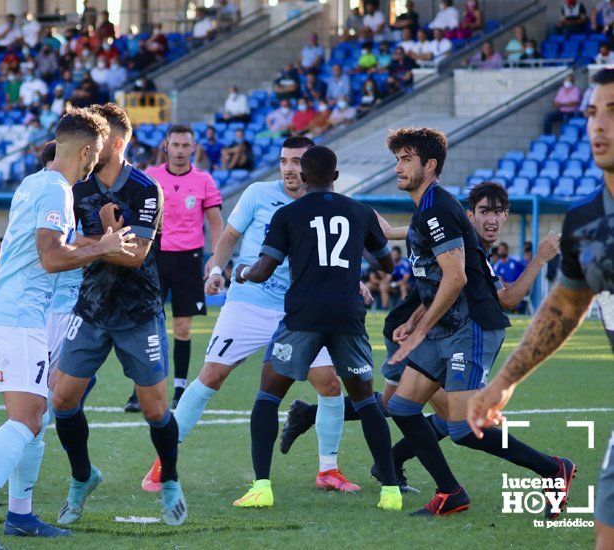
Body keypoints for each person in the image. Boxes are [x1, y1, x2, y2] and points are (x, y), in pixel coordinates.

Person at [282, 183, 564, 486]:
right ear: (469, 215)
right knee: (451, 421)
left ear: (506, 215)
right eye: (484, 211)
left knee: (402, 406)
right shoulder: (448, 230)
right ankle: (539, 472)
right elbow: (504, 299)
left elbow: (482, 293)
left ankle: (321, 421)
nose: (492, 219)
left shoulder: (464, 243)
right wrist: (541, 257)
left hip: (423, 328)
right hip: (413, 331)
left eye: (498, 212)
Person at [0, 108, 130, 548]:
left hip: (7, 311)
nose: (94, 164)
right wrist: (102, 247)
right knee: (28, 419)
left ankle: (21, 515)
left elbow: (45, 246)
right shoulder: (56, 193)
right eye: (96, 155)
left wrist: (95, 243)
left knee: (35, 417)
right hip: (16, 317)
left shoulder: (33, 184)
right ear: (86, 150)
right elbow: (51, 256)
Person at [140, 137, 364, 496]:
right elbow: (229, 236)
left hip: (299, 311)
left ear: (312, 168)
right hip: (248, 302)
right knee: (211, 375)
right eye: (284, 161)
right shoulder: (258, 194)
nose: (290, 168)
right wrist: (216, 270)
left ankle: (329, 470)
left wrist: (357, 283)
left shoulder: (325, 205)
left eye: (297, 162)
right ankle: (163, 463)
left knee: (330, 384)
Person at [372, 128, 571, 517]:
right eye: (397, 159)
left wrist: (421, 325)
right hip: (446, 324)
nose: (398, 166)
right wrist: (415, 319)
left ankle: (553, 469)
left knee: (460, 430)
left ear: (429, 166)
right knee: (402, 407)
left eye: (406, 159)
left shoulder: (435, 209)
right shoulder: (428, 209)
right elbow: (434, 277)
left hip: (472, 327)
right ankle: (450, 492)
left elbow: (458, 278)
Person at [468, 68, 614, 550]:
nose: (599, 126)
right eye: (593, 113)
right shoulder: (585, 221)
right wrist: (501, 384)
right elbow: (564, 309)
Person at [230, 145, 400, 510]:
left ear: (303, 176)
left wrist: (240, 272)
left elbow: (261, 271)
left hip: (303, 317)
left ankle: (261, 487)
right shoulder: (359, 211)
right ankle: (390, 491)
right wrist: (359, 245)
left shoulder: (288, 213)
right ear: (336, 177)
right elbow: (386, 264)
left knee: (267, 396)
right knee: (366, 401)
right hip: (347, 318)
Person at [49, 104, 186, 527]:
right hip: (90, 309)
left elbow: (137, 255)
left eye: (99, 138)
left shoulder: (146, 189)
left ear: (117, 142)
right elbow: (66, 245)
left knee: (155, 409)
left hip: (139, 312)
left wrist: (100, 242)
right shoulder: (79, 188)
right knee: (62, 400)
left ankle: (171, 483)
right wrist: (107, 239)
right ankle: (82, 478)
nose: (89, 146)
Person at [143, 125, 224, 410]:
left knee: (182, 327)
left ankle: (178, 388)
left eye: (184, 145)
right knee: (147, 325)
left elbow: (215, 222)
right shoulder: (151, 177)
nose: (179, 150)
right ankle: (140, 388)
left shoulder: (203, 180)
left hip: (189, 259)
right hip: (155, 257)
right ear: (166, 146)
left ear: (193, 148)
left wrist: (215, 257)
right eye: (174, 144)